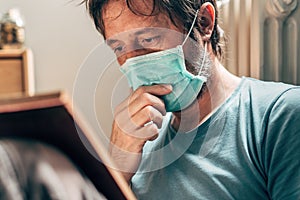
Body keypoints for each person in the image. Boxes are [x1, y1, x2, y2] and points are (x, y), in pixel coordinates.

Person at [84, 0, 300, 199]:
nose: (132, 60)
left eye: (149, 38)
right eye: (119, 48)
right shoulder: (139, 148)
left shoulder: (280, 116)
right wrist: (116, 169)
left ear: (204, 22)